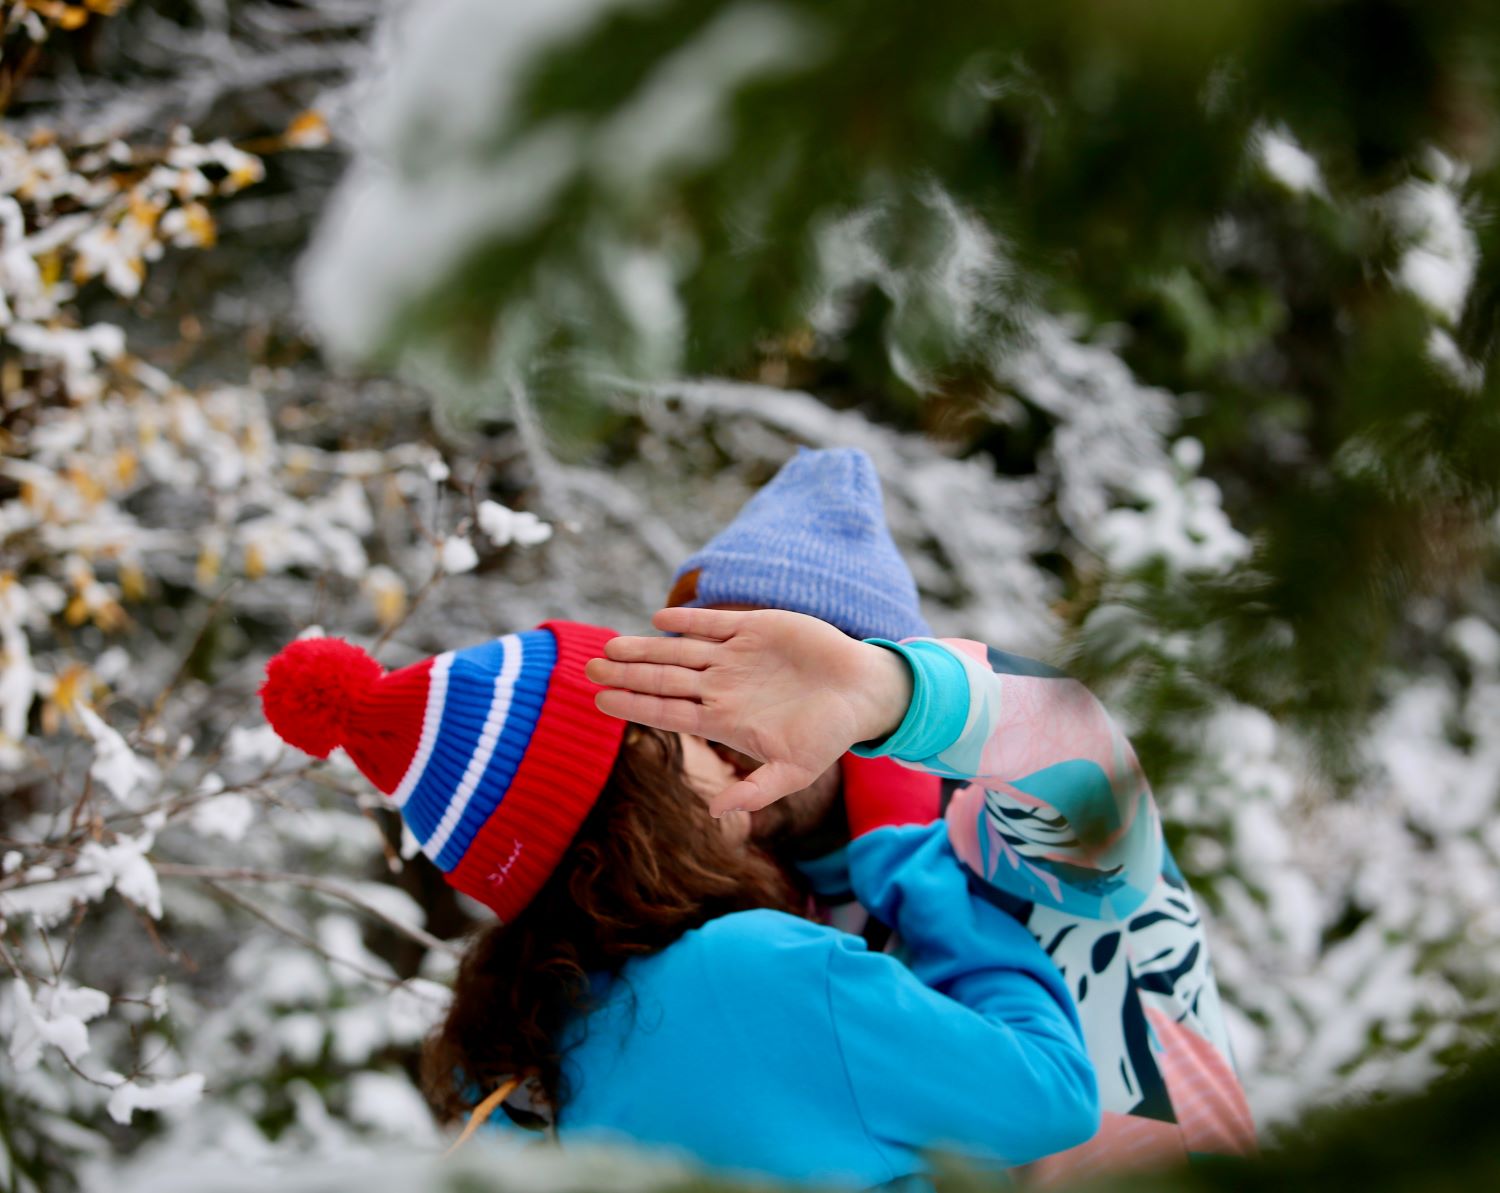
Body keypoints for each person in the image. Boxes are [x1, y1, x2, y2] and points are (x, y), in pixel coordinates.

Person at [257, 619, 1099, 1186]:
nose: (726, 749)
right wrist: (912, 859)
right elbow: (1050, 1092)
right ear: (634, 792)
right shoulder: (757, 975)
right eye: (686, 735)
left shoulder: (508, 1069)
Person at [660, 448, 1256, 1180]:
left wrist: (896, 692)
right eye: (698, 678)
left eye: (761, 684)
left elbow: (1081, 759)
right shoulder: (740, 917)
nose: (721, 721)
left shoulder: (1001, 830)